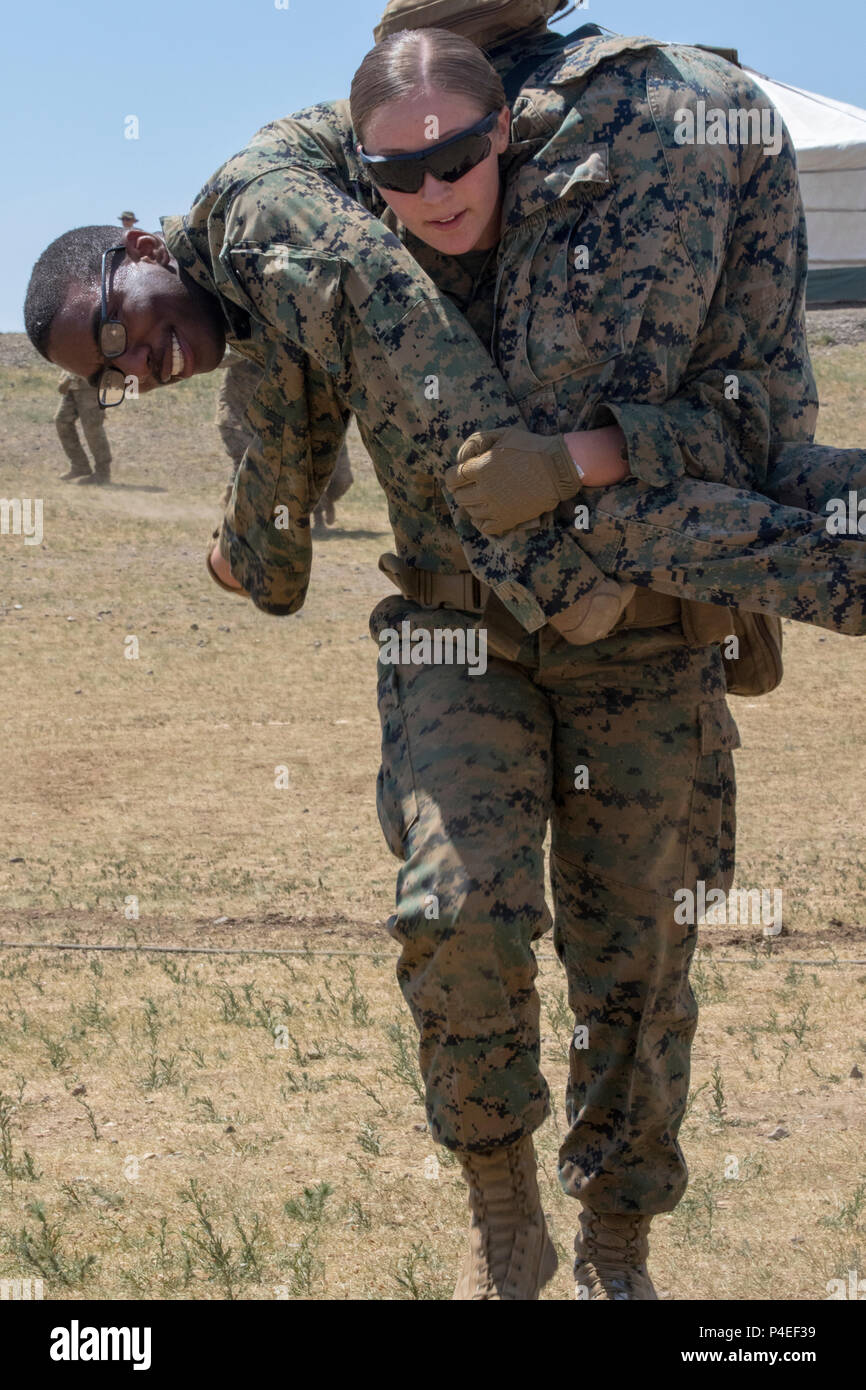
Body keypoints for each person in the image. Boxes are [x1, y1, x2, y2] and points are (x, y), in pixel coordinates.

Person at [22, 1, 866, 1297]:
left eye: (123, 324)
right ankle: (502, 1221)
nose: (144, 361)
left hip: (634, 630)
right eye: (117, 373)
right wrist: (250, 557)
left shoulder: (451, 195)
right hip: (452, 631)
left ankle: (618, 1246)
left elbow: (728, 414)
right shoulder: (265, 307)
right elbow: (281, 483)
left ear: (141, 243)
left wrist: (567, 492)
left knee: (636, 954)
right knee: (453, 905)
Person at [216, 348, 355, 529]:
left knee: (340, 479)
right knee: (247, 469)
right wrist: (251, 346)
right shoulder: (249, 336)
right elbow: (220, 359)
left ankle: (317, 507)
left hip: (279, 419)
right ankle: (236, 524)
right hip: (237, 415)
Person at [53, 369, 112, 483]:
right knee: (62, 421)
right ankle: (79, 466)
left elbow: (86, 358)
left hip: (91, 384)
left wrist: (69, 378)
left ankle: (103, 472)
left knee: (92, 428)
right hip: (73, 386)